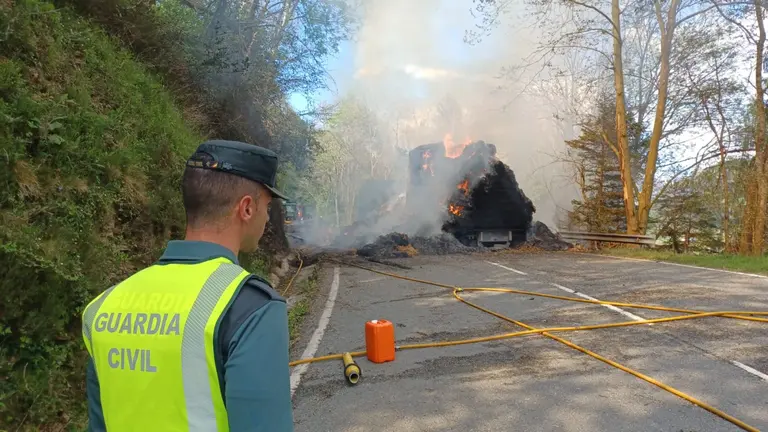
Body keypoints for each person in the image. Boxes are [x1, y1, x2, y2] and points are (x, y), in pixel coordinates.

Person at [81, 140, 294, 431]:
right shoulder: (251, 308)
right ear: (246, 208)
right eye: (267, 207)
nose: (267, 217)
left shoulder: (102, 308)